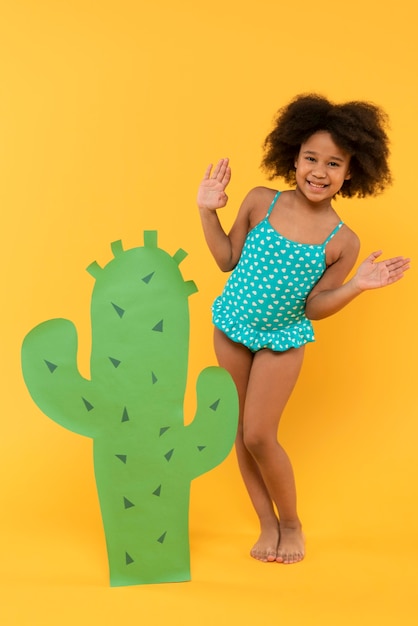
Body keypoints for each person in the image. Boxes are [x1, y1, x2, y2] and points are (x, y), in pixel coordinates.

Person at [196, 94, 410, 565]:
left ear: (351, 171)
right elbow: (226, 259)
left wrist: (356, 286)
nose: (320, 171)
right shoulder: (258, 201)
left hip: (282, 339)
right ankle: (267, 524)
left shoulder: (343, 240)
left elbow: (314, 307)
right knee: (237, 431)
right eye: (311, 158)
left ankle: (291, 523)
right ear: (292, 157)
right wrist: (207, 211)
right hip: (232, 325)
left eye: (334, 163)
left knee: (258, 434)